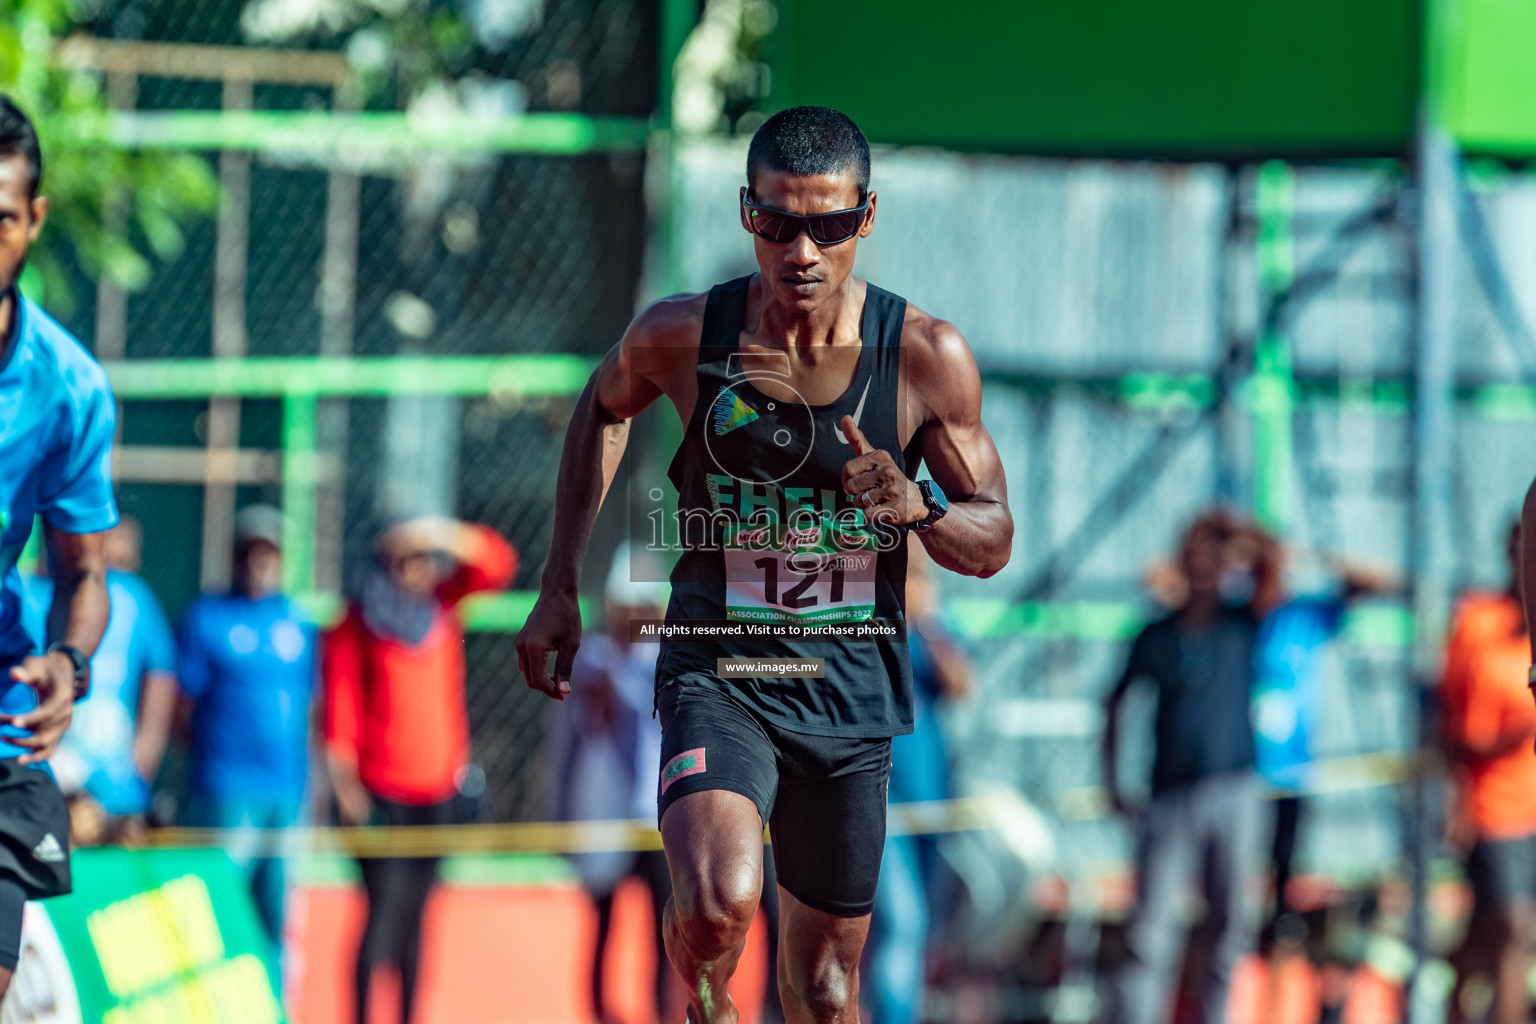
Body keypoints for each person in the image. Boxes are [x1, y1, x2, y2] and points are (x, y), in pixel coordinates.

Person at [517, 105, 1012, 1024]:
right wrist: (559, 586)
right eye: (780, 222)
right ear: (749, 212)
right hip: (723, 666)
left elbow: (994, 535)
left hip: (848, 683)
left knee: (825, 991)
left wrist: (919, 506)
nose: (803, 250)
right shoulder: (685, 335)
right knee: (717, 904)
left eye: (828, 224)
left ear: (866, 217)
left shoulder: (923, 356)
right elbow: (605, 401)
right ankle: (706, 1001)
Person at [0, 95, 118, 999]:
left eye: (1, 219)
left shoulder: (69, 387)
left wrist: (70, 664)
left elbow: (84, 573)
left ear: (34, 219)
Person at [323, 514, 516, 1024]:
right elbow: (339, 713)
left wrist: (435, 531)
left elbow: (498, 564)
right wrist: (344, 787)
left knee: (418, 920)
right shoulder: (355, 621)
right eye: (405, 560)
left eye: (421, 559)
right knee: (382, 917)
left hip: (437, 794)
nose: (418, 570)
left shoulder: (441, 607)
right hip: (379, 794)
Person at [1102, 511, 1282, 1024]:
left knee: (1229, 932)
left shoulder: (1242, 622)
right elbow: (1114, 704)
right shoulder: (1156, 635)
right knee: (1150, 937)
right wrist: (1116, 781)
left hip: (1236, 793)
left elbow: (1275, 562)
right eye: (1197, 556)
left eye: (1213, 557)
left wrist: (1231, 529)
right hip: (1169, 798)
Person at [178, 504, 318, 947]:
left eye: (270, 556)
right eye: (252, 556)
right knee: (223, 904)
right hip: (228, 787)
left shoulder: (300, 624)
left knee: (279, 912)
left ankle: (275, 1007)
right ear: (236, 559)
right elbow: (184, 706)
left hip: (288, 789)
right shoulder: (208, 617)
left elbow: (313, 707)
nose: (261, 567)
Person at [551, 544, 672, 1024]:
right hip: (609, 812)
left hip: (657, 814)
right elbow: (585, 726)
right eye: (628, 609)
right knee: (602, 923)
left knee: (667, 930)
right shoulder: (595, 658)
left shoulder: (667, 657)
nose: (636, 619)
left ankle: (663, 1013)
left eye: (644, 610)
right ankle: (599, 1013)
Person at [865, 543, 971, 1024]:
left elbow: (963, 684)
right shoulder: (867, 624)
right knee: (902, 924)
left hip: (933, 803)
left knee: (919, 927)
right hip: (882, 803)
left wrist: (925, 621)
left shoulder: (936, 630)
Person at [26, 517, 178, 845]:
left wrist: (143, 757)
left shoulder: (133, 596)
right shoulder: (28, 594)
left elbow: (161, 675)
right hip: (51, 771)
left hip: (117, 782)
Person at [1442, 523, 1535, 1024]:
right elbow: (1452, 730)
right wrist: (1512, 737)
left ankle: (1454, 1008)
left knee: (1487, 938)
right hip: (1494, 807)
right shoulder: (1478, 624)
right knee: (1514, 929)